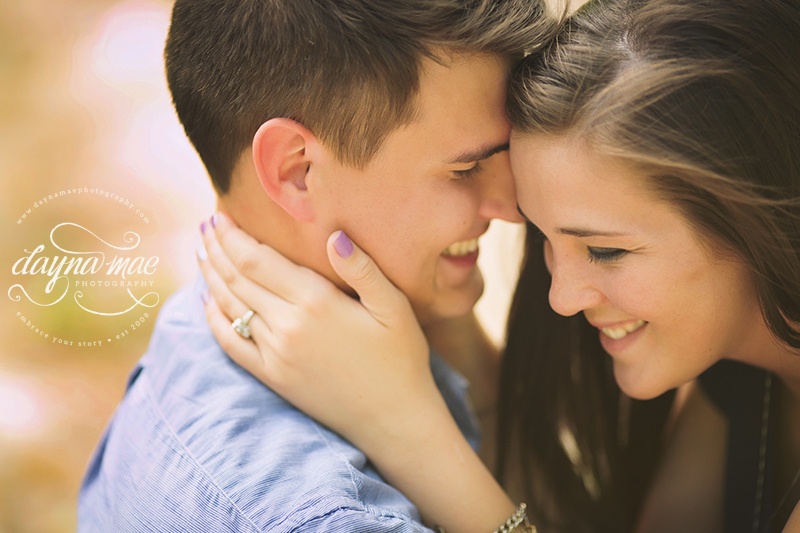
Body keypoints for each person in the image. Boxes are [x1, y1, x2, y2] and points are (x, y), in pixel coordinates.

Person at [198, 0, 800, 531]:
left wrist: (410, 431)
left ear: (757, 209)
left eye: (606, 250)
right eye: (543, 234)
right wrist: (441, 319)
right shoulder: (734, 376)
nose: (560, 298)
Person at [77, 1, 557, 531]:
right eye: (466, 169)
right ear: (297, 171)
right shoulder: (328, 517)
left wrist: (451, 340)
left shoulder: (194, 330)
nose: (512, 207)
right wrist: (411, 431)